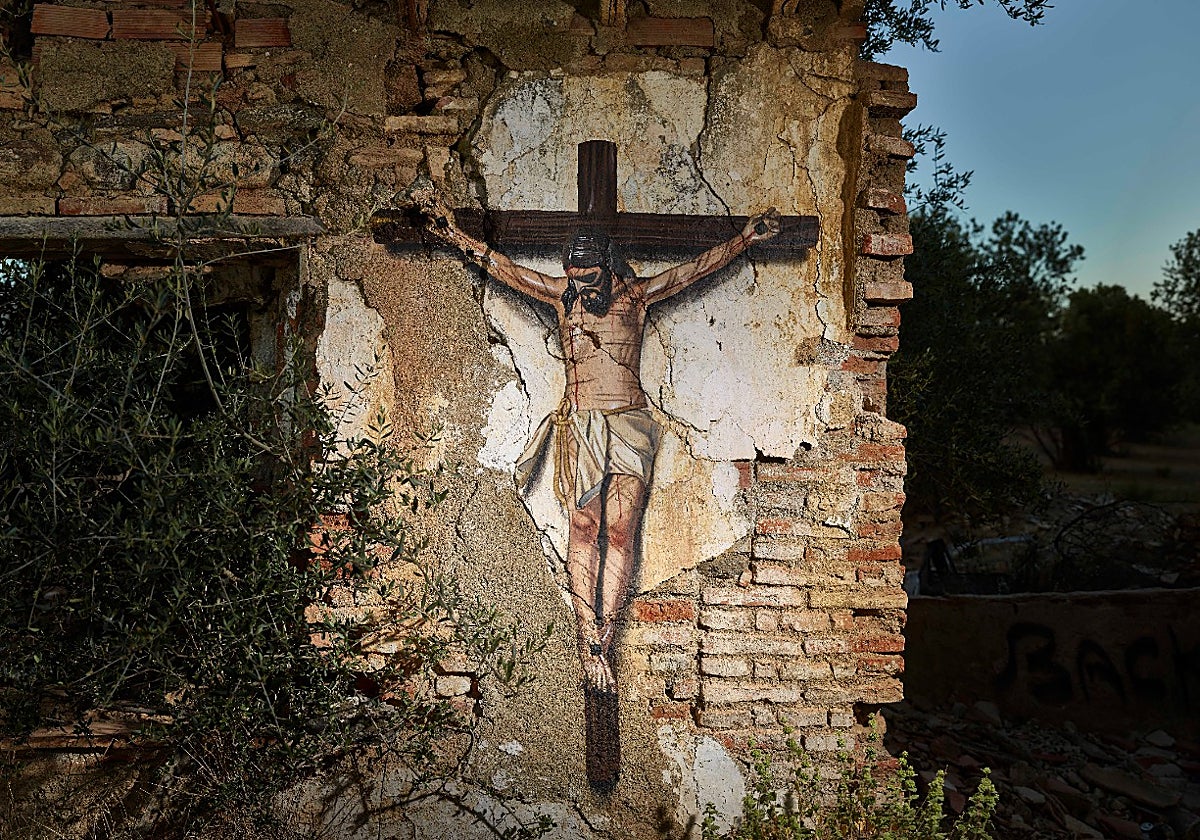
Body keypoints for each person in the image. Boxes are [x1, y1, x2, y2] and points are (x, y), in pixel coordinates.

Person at [415, 193, 781, 692]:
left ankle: (603, 638)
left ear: (607, 269)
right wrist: (452, 234)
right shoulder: (561, 296)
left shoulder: (635, 297)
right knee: (585, 527)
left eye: (588, 280)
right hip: (582, 422)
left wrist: (742, 241)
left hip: (629, 422)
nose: (579, 290)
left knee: (622, 529)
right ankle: (587, 640)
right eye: (573, 279)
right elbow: (504, 269)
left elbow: (690, 271)